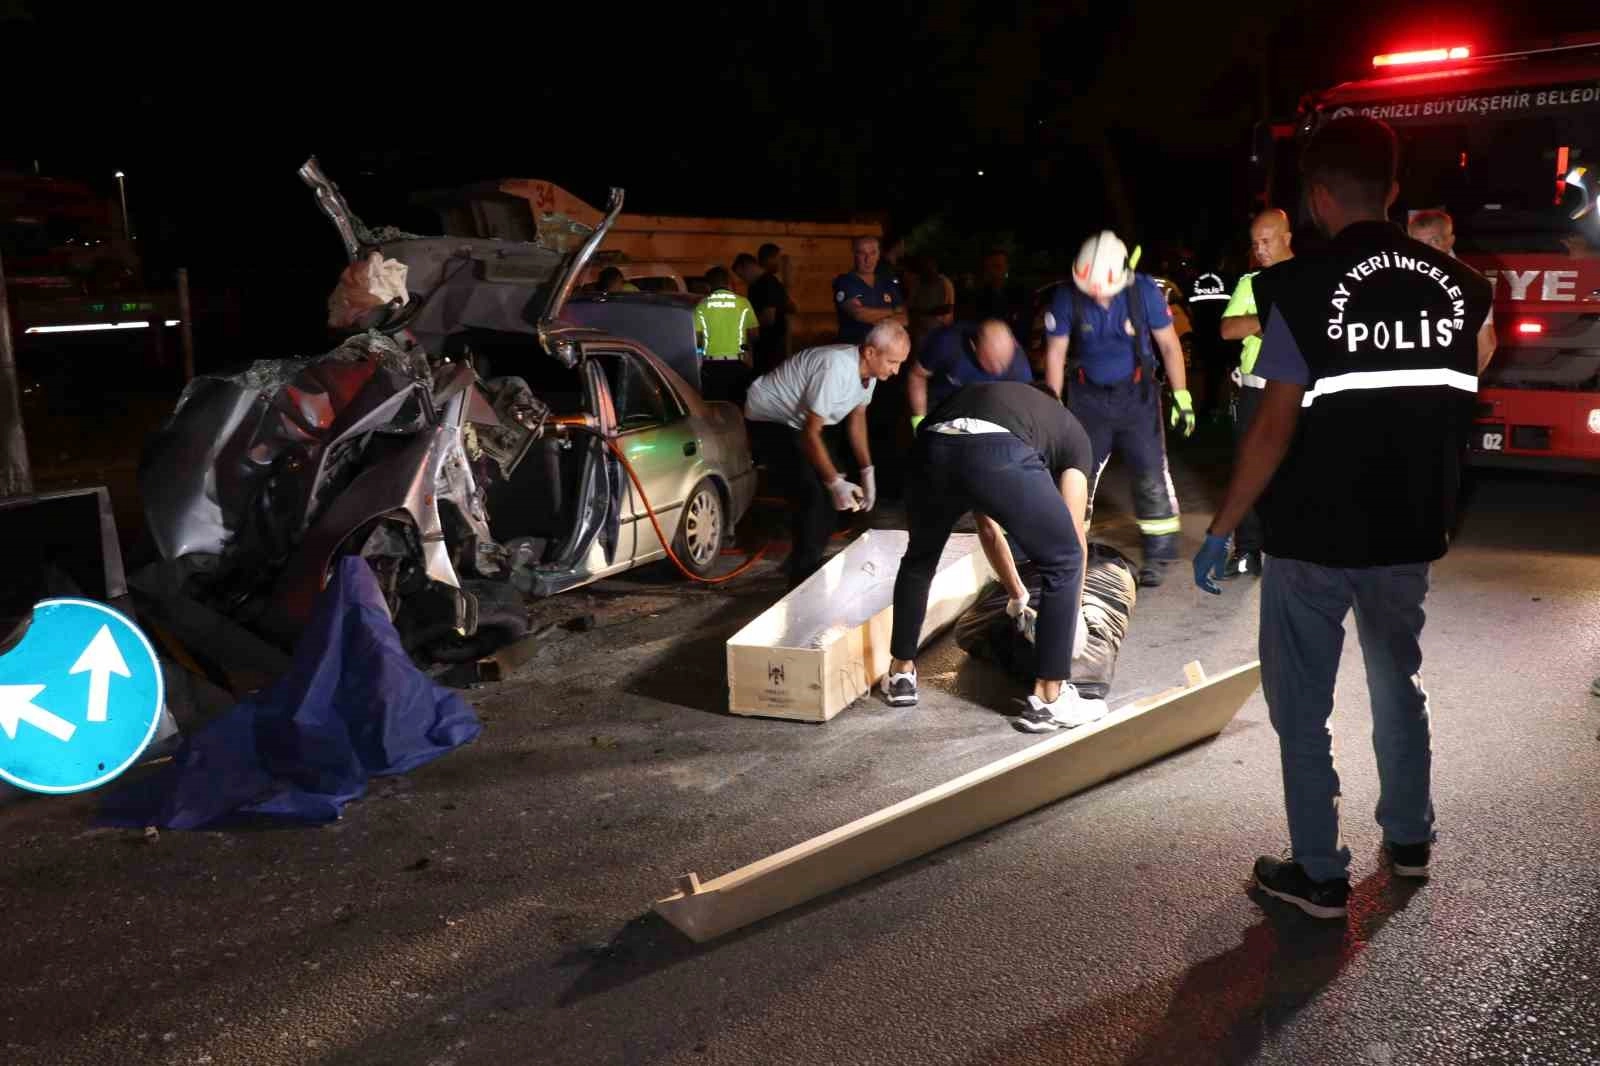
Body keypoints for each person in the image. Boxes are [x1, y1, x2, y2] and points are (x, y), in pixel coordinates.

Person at [1193, 116, 1496, 920]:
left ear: (1318, 197)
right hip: (1410, 527)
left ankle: (1321, 872)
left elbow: (1271, 427)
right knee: (1398, 680)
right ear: (1392, 190)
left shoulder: (1300, 286)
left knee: (1303, 704)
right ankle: (1410, 841)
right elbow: (1457, 389)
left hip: (1313, 533)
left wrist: (1223, 528)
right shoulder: (1461, 287)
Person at [883, 381, 1105, 732]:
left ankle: (900, 674)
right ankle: (1049, 699)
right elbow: (1074, 538)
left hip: (930, 447)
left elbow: (987, 528)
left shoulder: (1002, 406)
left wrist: (1018, 597)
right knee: (1064, 559)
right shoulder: (1073, 435)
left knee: (919, 560)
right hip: (995, 452)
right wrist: (1071, 619)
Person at [1043, 231, 1194, 587]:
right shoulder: (1066, 297)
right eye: (1090, 288)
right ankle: (1069, 549)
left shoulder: (1143, 292)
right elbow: (1055, 353)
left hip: (1137, 397)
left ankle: (1159, 553)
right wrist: (1052, 406)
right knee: (1077, 472)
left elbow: (1169, 346)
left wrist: (1182, 397)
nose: (1097, 295)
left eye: (1104, 290)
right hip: (1087, 398)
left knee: (1150, 472)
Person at [744, 322, 910, 587]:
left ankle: (803, 559)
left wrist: (867, 471)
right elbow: (810, 433)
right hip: (770, 418)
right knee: (813, 492)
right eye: (892, 362)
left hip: (803, 421)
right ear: (870, 352)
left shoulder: (869, 374)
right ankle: (801, 578)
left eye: (900, 363)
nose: (896, 370)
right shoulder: (836, 368)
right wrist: (834, 483)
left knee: (836, 489)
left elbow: (857, 418)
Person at [1217, 208, 1296, 579]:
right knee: (1247, 468)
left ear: (1286, 238)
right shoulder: (1251, 283)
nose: (1260, 250)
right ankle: (1248, 549)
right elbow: (1227, 329)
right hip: (1254, 391)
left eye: (1267, 241)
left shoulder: (1309, 277)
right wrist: (1266, 320)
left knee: (1296, 469)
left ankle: (1292, 549)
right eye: (1255, 243)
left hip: (1295, 391)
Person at [906, 318, 1031, 429]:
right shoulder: (947, 342)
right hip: (940, 404)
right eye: (993, 363)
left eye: (1004, 363)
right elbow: (917, 376)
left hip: (984, 413)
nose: (999, 370)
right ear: (974, 347)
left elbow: (1025, 410)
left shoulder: (1018, 364)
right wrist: (918, 423)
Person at [693, 266, 758, 404]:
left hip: (711, 366)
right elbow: (754, 334)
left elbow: (696, 339)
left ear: (708, 285)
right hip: (738, 364)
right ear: (729, 282)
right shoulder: (743, 303)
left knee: (715, 407)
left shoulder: (701, 306)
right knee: (738, 405)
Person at [832, 236, 906, 345]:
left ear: (879, 255)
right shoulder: (845, 281)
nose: (868, 259)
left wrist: (873, 318)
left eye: (873, 253)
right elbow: (859, 313)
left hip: (883, 349)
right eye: (862, 253)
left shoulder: (887, 283)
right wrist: (893, 312)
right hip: (854, 348)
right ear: (854, 255)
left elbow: (904, 319)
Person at [748, 243, 797, 374]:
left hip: (768, 344)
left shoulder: (762, 283)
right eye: (777, 259)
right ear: (769, 259)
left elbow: (791, 306)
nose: (779, 263)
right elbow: (769, 317)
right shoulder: (768, 282)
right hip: (771, 345)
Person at [970, 249, 1029, 341]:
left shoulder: (1020, 293)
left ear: (1007, 267)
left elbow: (1024, 325)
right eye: (989, 267)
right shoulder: (981, 296)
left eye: (997, 266)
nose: (993, 272)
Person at [906, 255, 957, 349]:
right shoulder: (917, 283)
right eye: (925, 267)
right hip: (921, 329)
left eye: (930, 267)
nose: (928, 270)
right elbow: (911, 307)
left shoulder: (944, 282)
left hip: (940, 327)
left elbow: (948, 308)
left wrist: (925, 312)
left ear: (935, 268)